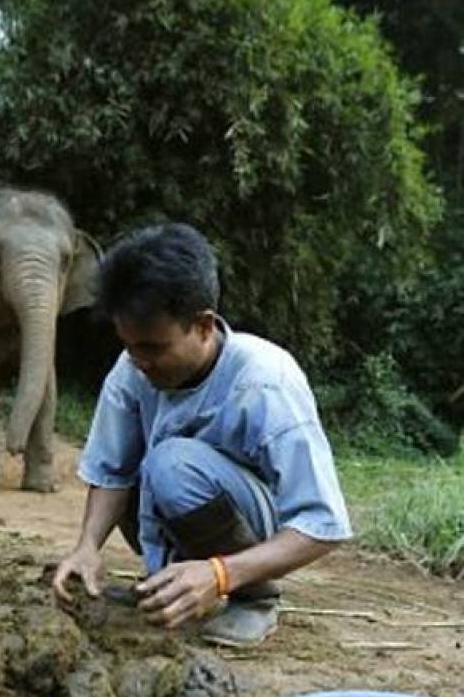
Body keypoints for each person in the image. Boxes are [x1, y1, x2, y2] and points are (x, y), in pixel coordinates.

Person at [53, 223, 352, 647]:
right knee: (152, 467)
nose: (139, 361)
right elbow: (111, 471)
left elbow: (323, 524)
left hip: (256, 530)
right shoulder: (132, 369)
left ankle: (254, 597)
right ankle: (167, 583)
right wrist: (87, 547)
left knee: (170, 464)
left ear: (204, 326)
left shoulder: (265, 383)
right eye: (129, 346)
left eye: (153, 348)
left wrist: (221, 574)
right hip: (174, 504)